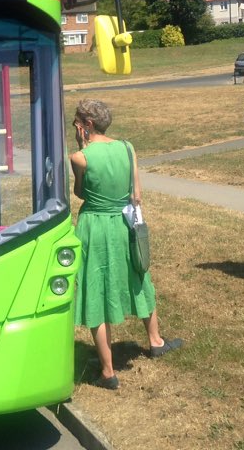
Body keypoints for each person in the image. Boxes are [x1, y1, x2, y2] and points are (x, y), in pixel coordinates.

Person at [70, 99, 183, 390]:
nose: (74, 127)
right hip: (124, 223)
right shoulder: (127, 148)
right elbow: (136, 192)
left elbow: (81, 192)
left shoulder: (80, 158)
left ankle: (108, 372)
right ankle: (155, 340)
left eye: (77, 122)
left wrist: (84, 150)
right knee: (138, 276)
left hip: (94, 226)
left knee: (96, 285)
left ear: (88, 125)